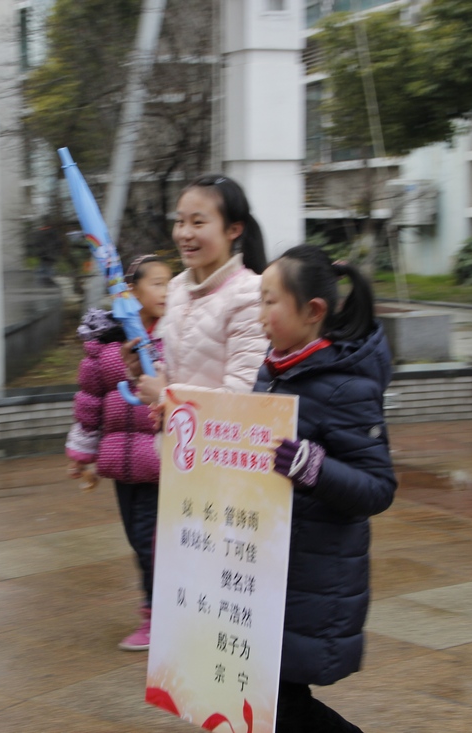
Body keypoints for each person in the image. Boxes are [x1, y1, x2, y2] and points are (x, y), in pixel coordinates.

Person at [257, 244, 397, 733]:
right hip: (271, 570)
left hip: (314, 578)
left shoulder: (346, 385)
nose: (261, 315)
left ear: (313, 311)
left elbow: (378, 487)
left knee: (281, 704)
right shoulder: (274, 372)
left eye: (270, 301)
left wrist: (313, 467)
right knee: (268, 699)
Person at [65, 255, 172, 651]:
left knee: (150, 541)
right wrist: (82, 454)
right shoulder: (106, 348)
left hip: (161, 462)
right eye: (158, 283)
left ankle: (159, 617)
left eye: (170, 284)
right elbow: (90, 402)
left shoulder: (174, 339)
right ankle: (158, 611)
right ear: (132, 292)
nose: (167, 291)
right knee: (138, 539)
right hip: (122, 464)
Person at [129, 174, 268, 403]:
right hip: (176, 437)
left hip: (222, 439)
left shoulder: (250, 295)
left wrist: (165, 397)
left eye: (198, 222)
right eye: (180, 221)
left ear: (233, 230)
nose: (184, 234)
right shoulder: (176, 288)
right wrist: (143, 371)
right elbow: (175, 374)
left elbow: (243, 401)